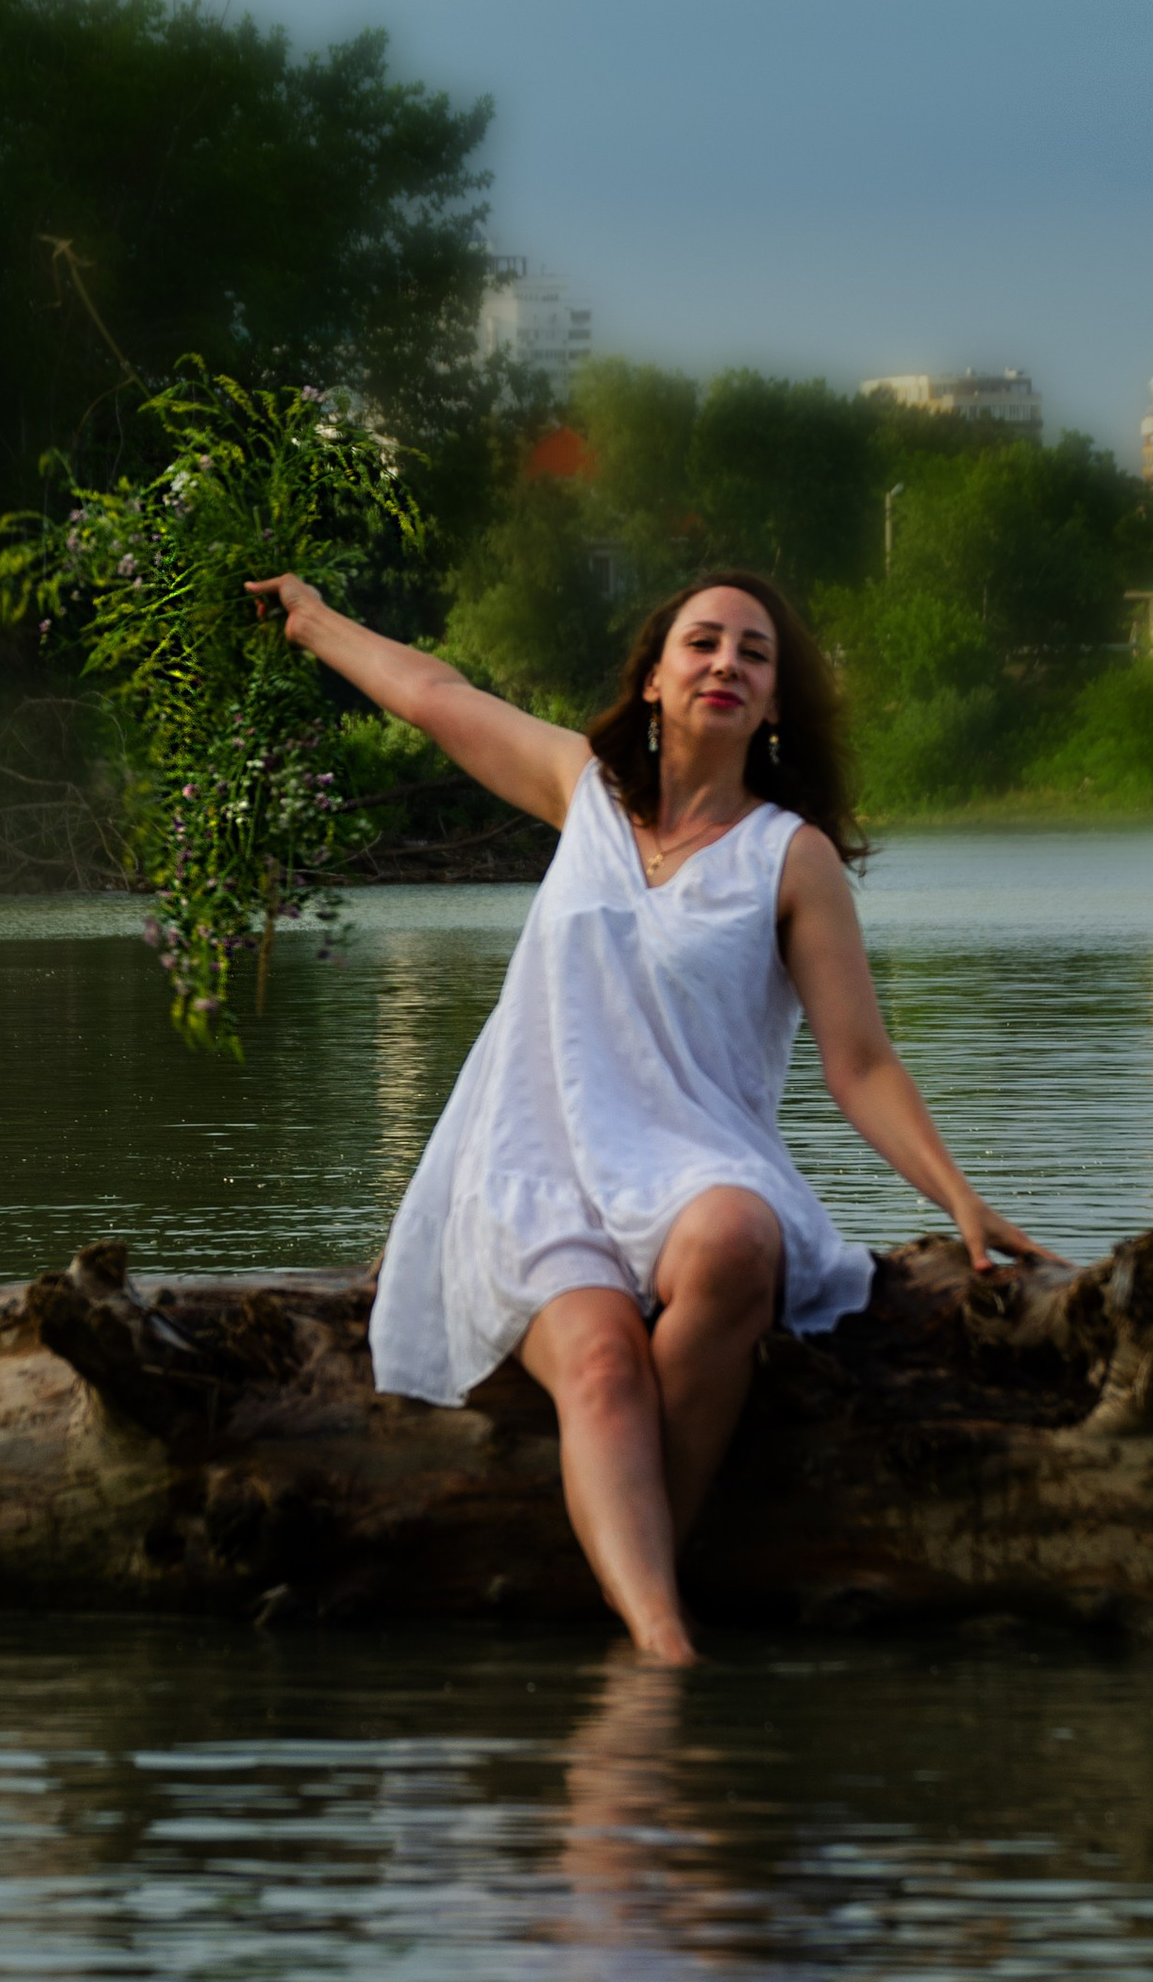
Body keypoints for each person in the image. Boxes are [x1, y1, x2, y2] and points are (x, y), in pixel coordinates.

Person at [245, 566, 1057, 1664]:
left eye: (755, 653)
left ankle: (629, 1607)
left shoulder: (792, 857)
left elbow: (860, 1064)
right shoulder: (580, 791)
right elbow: (435, 695)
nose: (727, 663)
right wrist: (314, 622)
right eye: (702, 642)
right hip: (533, 1171)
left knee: (737, 1240)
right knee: (599, 1366)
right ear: (653, 680)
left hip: (692, 1168)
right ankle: (662, 1649)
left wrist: (961, 1198)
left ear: (774, 703)